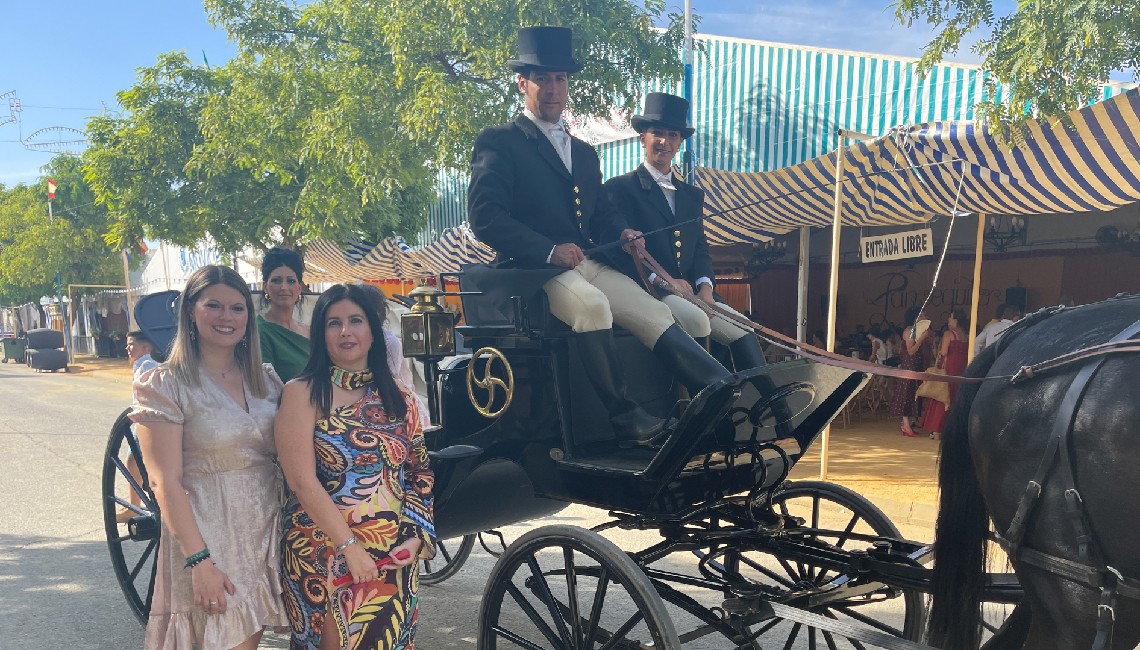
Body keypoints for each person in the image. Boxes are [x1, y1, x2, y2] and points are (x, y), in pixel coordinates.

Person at [467, 26, 729, 446]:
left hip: (588, 261)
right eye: (543, 79)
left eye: (560, 79)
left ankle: (720, 394)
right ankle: (625, 419)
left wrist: (623, 231)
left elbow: (601, 215)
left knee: (654, 311)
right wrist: (549, 250)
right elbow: (485, 218)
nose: (553, 89)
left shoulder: (584, 153)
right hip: (533, 270)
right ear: (523, 83)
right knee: (592, 307)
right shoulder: (500, 142)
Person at [130, 265, 287, 649]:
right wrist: (199, 562)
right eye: (213, 306)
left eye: (237, 309)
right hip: (206, 531)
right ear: (190, 311)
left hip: (263, 529)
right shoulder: (167, 384)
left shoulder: (266, 381)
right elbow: (163, 481)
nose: (226, 317)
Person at [276, 284, 435, 650]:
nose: (345, 331)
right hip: (324, 549)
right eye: (334, 323)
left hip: (393, 551)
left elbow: (418, 471)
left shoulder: (398, 394)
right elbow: (301, 481)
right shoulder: (301, 392)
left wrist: (415, 538)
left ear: (373, 332)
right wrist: (350, 548)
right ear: (321, 333)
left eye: (355, 321)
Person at [604, 91, 768, 372]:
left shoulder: (692, 195)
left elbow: (700, 247)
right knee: (696, 321)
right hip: (653, 291)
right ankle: (704, 409)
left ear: (680, 142)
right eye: (657, 133)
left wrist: (706, 288)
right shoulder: (620, 188)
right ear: (643, 137)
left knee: (743, 328)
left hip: (695, 293)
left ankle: (777, 409)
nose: (664, 142)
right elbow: (620, 253)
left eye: (672, 135)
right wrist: (668, 283)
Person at [117, 330, 162, 523]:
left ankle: (135, 506)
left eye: (131, 344)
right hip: (144, 416)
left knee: (132, 464)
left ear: (146, 347)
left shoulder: (147, 364)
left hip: (146, 418)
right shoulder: (142, 364)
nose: (127, 348)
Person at [259, 247, 310, 382]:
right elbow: (266, 385)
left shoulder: (310, 331)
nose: (284, 287)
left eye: (291, 281)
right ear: (266, 286)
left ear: (299, 287)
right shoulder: (259, 330)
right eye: (276, 280)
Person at [920, 309, 969, 440]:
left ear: (956, 320)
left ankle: (937, 429)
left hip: (948, 367)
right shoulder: (964, 335)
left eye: (951, 318)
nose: (949, 320)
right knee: (954, 397)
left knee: (941, 395)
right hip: (960, 368)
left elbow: (943, 352)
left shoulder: (948, 334)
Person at [889, 307, 934, 437]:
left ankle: (912, 421)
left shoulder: (920, 331)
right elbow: (911, 351)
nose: (924, 318)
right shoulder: (909, 331)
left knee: (915, 393)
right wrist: (921, 339)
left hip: (918, 366)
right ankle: (906, 424)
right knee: (907, 394)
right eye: (922, 316)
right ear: (915, 318)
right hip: (910, 366)